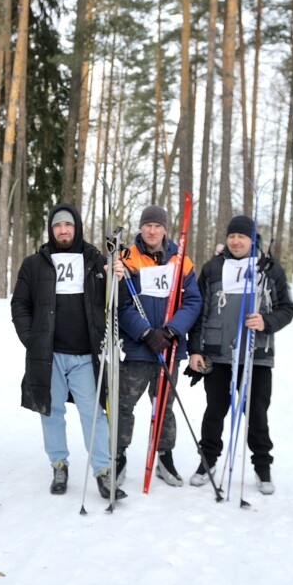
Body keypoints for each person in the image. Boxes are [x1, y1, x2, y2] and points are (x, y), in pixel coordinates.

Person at [11, 203, 124, 500]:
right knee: (51, 411)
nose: (63, 230)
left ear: (77, 228)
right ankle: (59, 464)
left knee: (94, 413)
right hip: (50, 356)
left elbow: (116, 303)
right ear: (51, 229)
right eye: (58, 225)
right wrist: (32, 339)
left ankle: (102, 471)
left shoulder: (96, 260)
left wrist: (118, 277)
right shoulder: (35, 264)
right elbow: (19, 305)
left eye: (68, 225)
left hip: (86, 355)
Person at [185, 214, 293, 494]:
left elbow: (287, 308)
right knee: (214, 411)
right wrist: (195, 348)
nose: (235, 241)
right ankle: (207, 460)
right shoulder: (212, 268)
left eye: (241, 236)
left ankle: (262, 467)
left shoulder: (269, 269)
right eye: (231, 236)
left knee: (257, 415)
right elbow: (198, 311)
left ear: (251, 239)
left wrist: (266, 322)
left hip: (256, 355)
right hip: (217, 354)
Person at [115, 204, 201, 486]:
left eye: (158, 226)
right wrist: (144, 333)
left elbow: (193, 301)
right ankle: (118, 455)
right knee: (123, 404)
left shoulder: (180, 259)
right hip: (137, 349)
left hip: (169, 347)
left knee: (164, 405)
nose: (152, 230)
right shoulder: (127, 257)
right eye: (148, 225)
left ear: (166, 229)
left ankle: (165, 456)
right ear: (140, 227)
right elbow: (121, 304)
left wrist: (170, 330)